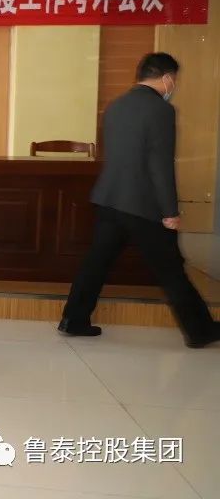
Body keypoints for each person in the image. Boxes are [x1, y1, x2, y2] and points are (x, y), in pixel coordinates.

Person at [60, 52, 220, 347]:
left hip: (109, 198)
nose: (174, 86)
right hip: (142, 205)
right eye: (175, 80)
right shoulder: (161, 110)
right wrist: (170, 211)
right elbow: (160, 164)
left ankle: (73, 319)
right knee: (171, 270)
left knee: (96, 263)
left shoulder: (116, 106)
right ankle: (200, 332)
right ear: (167, 78)